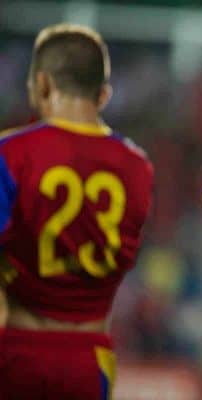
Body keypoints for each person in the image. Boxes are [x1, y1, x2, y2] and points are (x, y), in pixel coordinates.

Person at [0, 24, 154, 399]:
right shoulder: (138, 165)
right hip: (90, 357)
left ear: (43, 84)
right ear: (103, 94)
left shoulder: (12, 154)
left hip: (18, 349)